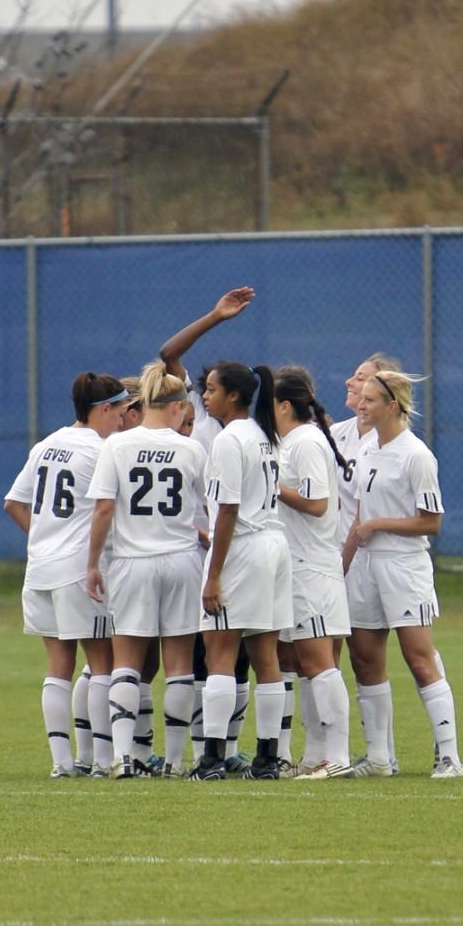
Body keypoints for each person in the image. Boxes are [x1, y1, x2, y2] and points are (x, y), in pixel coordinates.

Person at [342, 370, 463, 778]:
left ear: (393, 406)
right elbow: (360, 514)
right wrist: (342, 567)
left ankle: (449, 757)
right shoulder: (367, 450)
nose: (362, 403)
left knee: (419, 658)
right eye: (364, 398)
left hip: (403, 565)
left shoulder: (416, 455)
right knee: (364, 658)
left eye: (372, 399)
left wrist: (379, 526)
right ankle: (379, 758)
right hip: (366, 567)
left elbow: (431, 522)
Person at [4, 372, 128, 778]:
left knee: (59, 662)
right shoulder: (98, 451)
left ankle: (62, 763)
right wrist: (90, 559)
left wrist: (44, 539)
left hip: (40, 567)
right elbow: (105, 510)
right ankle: (103, 761)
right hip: (78, 570)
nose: (124, 419)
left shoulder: (47, 444)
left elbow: (14, 503)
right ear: (104, 408)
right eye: (122, 410)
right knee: (102, 661)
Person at [86, 360, 207, 779]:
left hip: (132, 562)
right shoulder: (191, 448)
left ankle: (123, 757)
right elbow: (207, 511)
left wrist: (92, 563)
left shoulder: (117, 446)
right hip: (181, 561)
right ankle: (174, 762)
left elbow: (103, 508)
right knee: (179, 666)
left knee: (126, 663)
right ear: (177, 407)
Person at [159, 288, 256, 774]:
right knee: (201, 654)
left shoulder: (232, 430)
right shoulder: (195, 414)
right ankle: (202, 753)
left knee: (232, 656)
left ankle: (224, 749)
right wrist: (216, 315)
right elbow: (170, 353)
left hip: (227, 547)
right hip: (191, 549)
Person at [188, 361, 292, 781]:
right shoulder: (266, 436)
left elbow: (227, 510)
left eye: (211, 389)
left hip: (245, 549)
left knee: (220, 654)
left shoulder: (231, 440)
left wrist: (212, 576)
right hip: (273, 545)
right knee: (266, 657)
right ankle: (268, 758)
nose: (206, 396)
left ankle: (211, 759)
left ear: (234, 395)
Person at [273, 366, 354, 779]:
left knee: (319, 662)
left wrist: (270, 485)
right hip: (297, 567)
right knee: (304, 663)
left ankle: (338, 756)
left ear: (284, 405)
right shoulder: (294, 442)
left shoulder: (305, 442)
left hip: (312, 568)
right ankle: (315, 753)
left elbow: (317, 502)